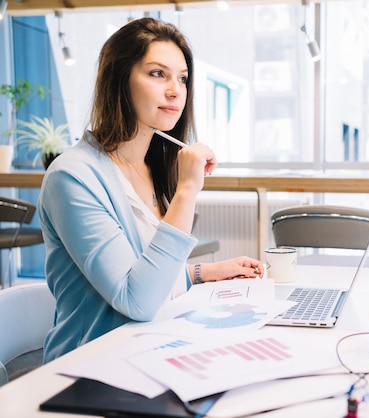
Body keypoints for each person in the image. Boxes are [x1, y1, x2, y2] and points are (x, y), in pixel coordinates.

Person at [38, 17, 264, 363]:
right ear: (119, 80)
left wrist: (202, 273)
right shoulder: (72, 176)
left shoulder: (154, 166)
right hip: (90, 367)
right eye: (158, 74)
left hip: (153, 348)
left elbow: (146, 275)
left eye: (183, 78)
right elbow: (137, 299)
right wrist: (188, 189)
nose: (175, 90)